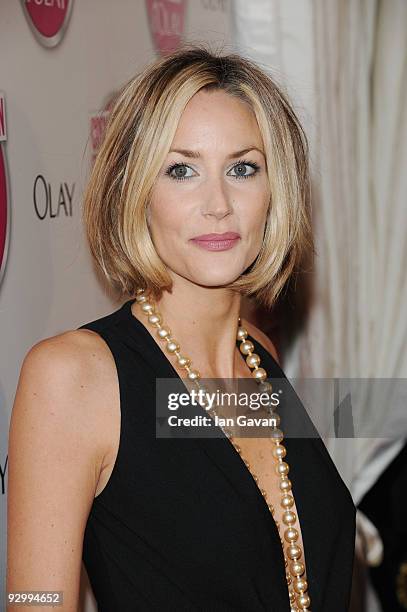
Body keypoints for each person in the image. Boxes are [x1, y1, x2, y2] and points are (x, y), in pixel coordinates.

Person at [7, 44, 356, 611]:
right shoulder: (75, 378)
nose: (218, 204)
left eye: (243, 169)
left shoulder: (259, 355)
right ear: (134, 189)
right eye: (181, 169)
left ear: (277, 190)